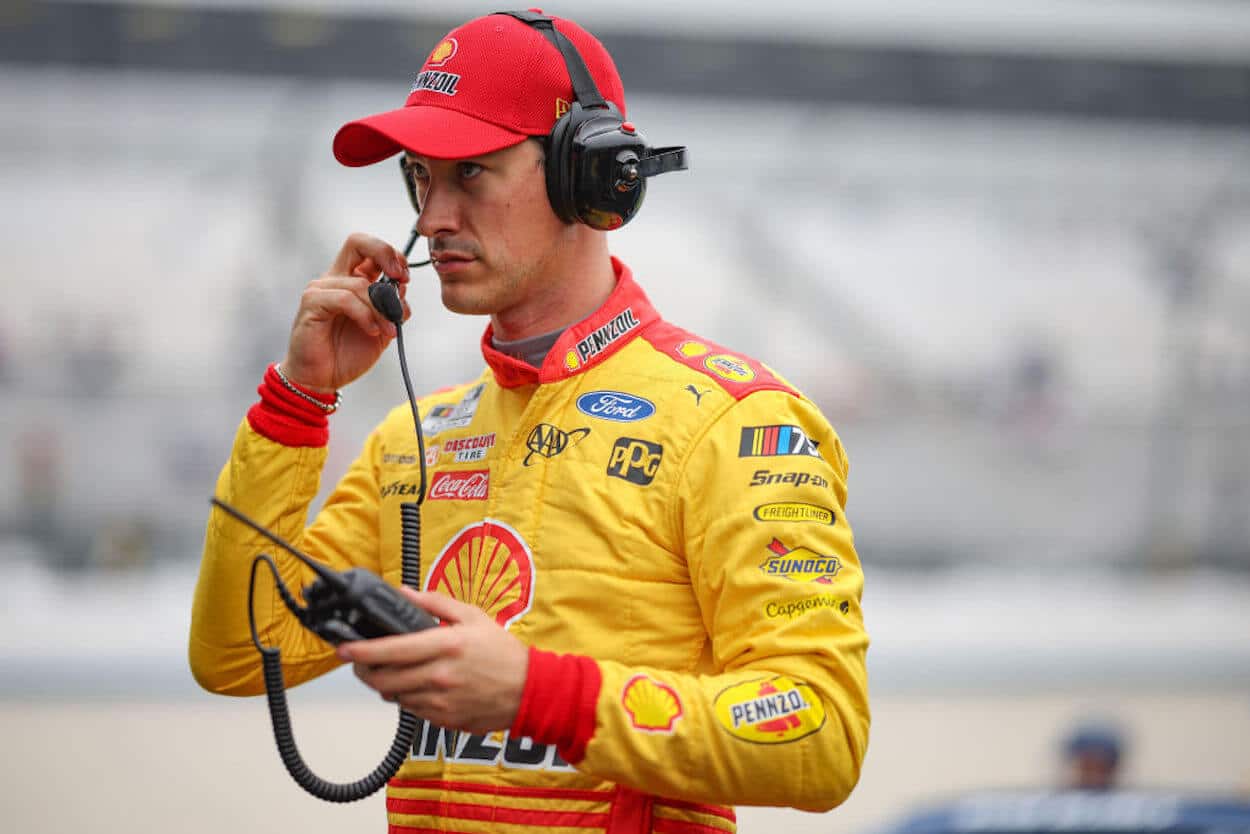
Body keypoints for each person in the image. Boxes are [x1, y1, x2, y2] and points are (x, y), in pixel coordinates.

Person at [189, 9, 869, 832]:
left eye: (469, 173)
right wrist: (299, 401)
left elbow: (822, 733)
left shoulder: (737, 423)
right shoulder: (415, 439)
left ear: (589, 177)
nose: (431, 217)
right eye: (418, 177)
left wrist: (538, 695)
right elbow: (234, 654)